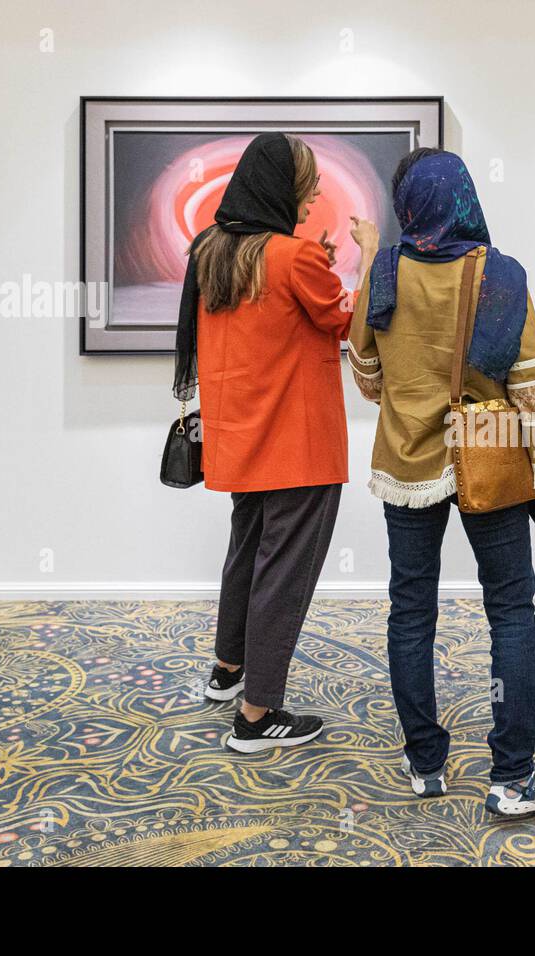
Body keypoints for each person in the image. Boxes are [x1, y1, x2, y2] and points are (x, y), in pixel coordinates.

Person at [347, 148, 535, 817]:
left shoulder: (386, 270)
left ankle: (425, 764)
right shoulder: (500, 275)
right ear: (467, 199)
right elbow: (533, 383)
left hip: (406, 463)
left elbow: (365, 375)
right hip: (492, 456)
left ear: (407, 205)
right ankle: (512, 778)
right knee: (509, 610)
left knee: (411, 611)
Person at [172, 132, 379, 753]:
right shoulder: (293, 258)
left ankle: (228, 672)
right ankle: (258, 717)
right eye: (306, 181)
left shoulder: (209, 250)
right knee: (283, 574)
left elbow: (271, 316)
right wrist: (368, 256)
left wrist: (307, 260)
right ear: (281, 188)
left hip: (239, 437)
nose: (314, 190)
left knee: (246, 554)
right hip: (298, 442)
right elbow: (348, 322)